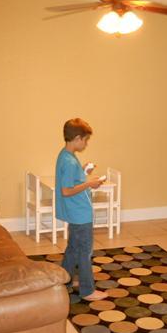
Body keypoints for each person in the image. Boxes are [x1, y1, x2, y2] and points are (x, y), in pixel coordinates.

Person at [55, 118, 107, 301]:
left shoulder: (65, 155)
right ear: (77, 138)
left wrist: (84, 172)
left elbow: (72, 181)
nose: (86, 144)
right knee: (84, 251)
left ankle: (65, 281)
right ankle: (87, 290)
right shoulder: (69, 161)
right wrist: (89, 184)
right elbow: (66, 190)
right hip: (80, 213)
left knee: (73, 248)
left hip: (75, 212)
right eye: (85, 140)